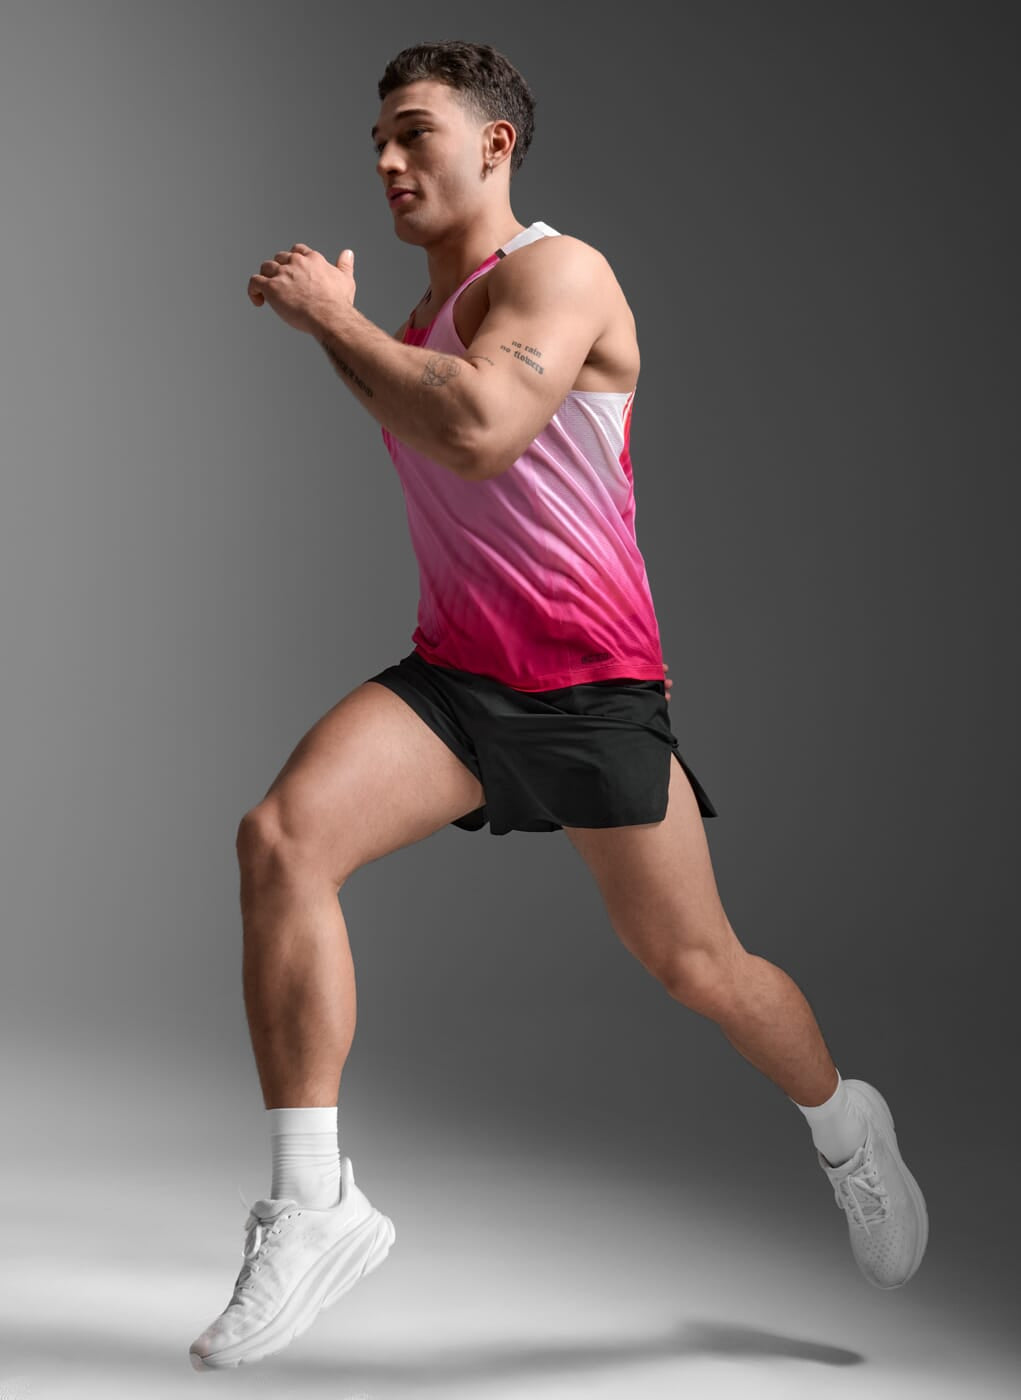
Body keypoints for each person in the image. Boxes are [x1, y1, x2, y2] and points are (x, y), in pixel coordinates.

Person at [189, 39, 928, 1373]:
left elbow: (479, 429)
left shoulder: (559, 272)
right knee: (281, 841)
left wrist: (331, 322)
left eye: (413, 130)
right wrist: (350, 330)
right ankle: (313, 1204)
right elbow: (425, 410)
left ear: (495, 145)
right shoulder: (417, 316)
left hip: (592, 690)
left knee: (697, 967)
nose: (386, 159)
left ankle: (843, 1123)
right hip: (455, 680)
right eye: (376, 140)